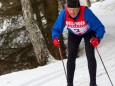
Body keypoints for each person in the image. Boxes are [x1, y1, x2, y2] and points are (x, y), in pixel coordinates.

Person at [51, 0, 105, 86]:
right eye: (70, 9)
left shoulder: (86, 12)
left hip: (88, 33)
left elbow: (100, 27)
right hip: (73, 34)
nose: (72, 12)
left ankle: (93, 82)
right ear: (67, 8)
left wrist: (97, 38)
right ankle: (69, 83)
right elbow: (56, 28)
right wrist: (55, 37)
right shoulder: (64, 13)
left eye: (74, 9)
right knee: (71, 55)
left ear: (79, 8)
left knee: (90, 55)